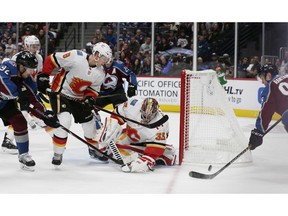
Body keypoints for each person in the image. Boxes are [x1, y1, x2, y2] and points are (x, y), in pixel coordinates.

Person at [37, 42, 113, 166]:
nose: (105, 61)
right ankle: (58, 153)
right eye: (104, 58)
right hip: (60, 93)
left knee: (90, 124)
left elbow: (93, 90)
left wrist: (89, 98)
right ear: (97, 54)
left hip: (78, 99)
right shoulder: (76, 56)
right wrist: (44, 75)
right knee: (64, 121)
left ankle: (94, 150)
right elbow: (52, 59)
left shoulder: (100, 73)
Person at [0, 51, 60, 171]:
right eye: (29, 69)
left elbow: (34, 98)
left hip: (5, 103)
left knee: (20, 121)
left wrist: (45, 115)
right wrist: (19, 94)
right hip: (4, 98)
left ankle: (23, 155)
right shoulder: (7, 67)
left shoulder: (27, 79)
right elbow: (2, 81)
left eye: (33, 69)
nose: (31, 72)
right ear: (21, 66)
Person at [94, 97, 176, 172]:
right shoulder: (132, 105)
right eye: (144, 114)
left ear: (156, 112)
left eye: (150, 116)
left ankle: (165, 155)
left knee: (127, 157)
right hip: (130, 135)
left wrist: (146, 160)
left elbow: (155, 149)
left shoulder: (161, 124)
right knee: (108, 148)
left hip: (146, 142)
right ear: (141, 108)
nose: (146, 119)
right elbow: (116, 116)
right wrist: (109, 128)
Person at [2, 35, 45, 152]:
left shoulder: (39, 58)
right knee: (18, 114)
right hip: (14, 92)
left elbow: (33, 76)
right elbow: (12, 78)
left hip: (25, 89)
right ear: (26, 46)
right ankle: (7, 139)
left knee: (20, 117)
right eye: (32, 46)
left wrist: (36, 89)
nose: (35, 48)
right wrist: (20, 94)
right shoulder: (18, 58)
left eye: (37, 46)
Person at [248, 64, 287, 150]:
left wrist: (258, 132)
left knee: (286, 118)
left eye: (262, 78)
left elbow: (266, 111)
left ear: (268, 75)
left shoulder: (270, 86)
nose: (262, 82)